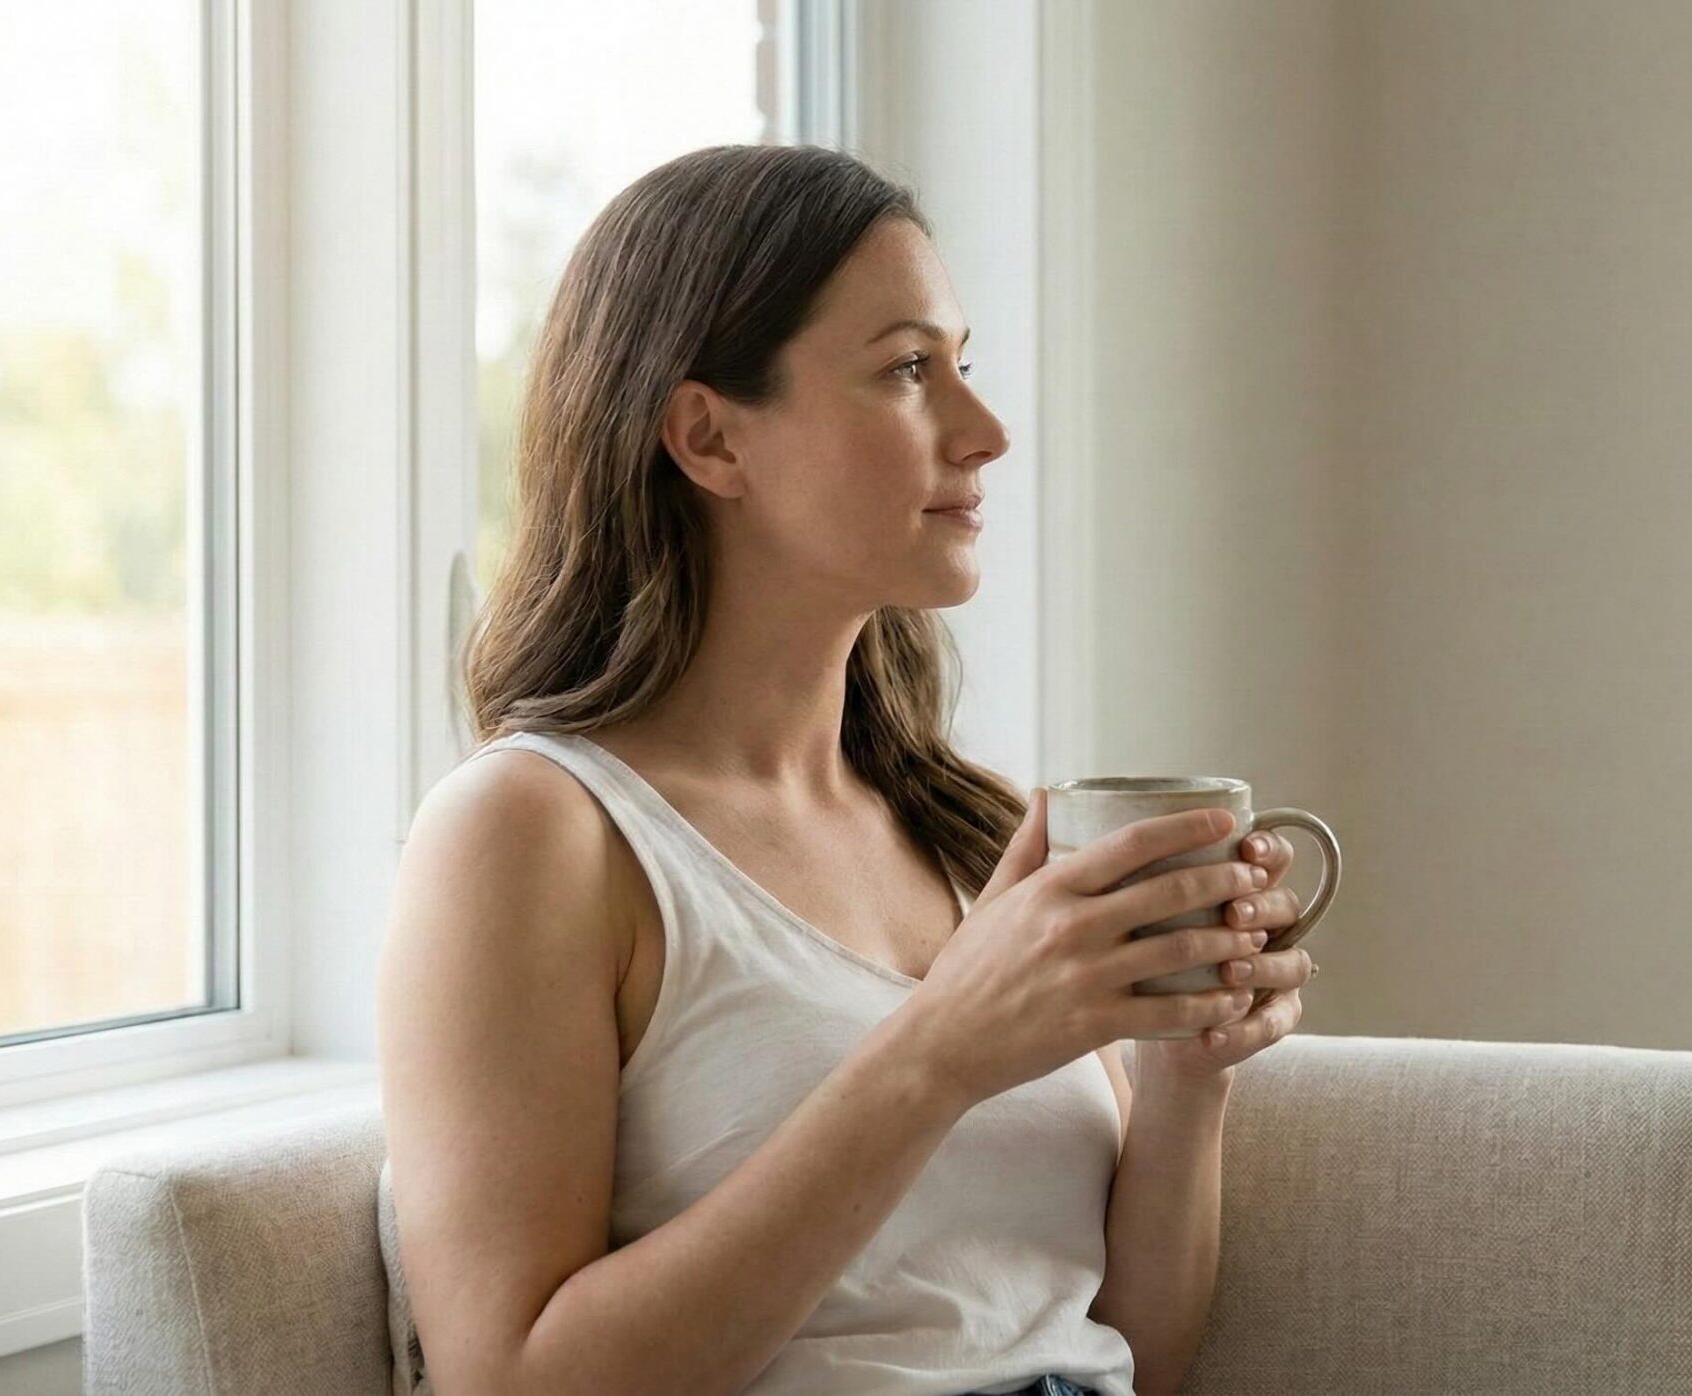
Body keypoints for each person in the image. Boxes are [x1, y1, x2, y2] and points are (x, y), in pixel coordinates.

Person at [375, 144, 1318, 1396]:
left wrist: (1186, 1077)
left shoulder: (964, 829)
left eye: (961, 366)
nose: (984, 433)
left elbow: (1134, 1349)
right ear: (708, 437)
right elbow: (514, 1379)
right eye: (909, 370)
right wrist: (938, 1053)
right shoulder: (533, 831)